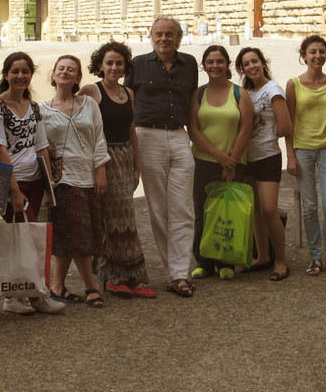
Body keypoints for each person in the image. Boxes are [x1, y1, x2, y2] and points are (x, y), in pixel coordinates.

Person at [124, 16, 198, 297]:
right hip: (148, 136)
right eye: (159, 34)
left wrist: (195, 134)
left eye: (170, 34)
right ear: (150, 36)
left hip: (179, 135)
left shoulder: (189, 63)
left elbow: (192, 100)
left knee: (183, 208)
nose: (164, 38)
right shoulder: (137, 64)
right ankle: (175, 273)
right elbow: (126, 101)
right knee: (158, 208)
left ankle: (180, 271)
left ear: (178, 38)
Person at [0, 51, 65, 314]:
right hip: (13, 181)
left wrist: (48, 185)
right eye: (15, 71)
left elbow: (41, 146)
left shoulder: (33, 107)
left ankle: (19, 296)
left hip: (34, 178)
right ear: (6, 74)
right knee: (23, 239)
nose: (21, 76)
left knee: (29, 237)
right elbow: (0, 149)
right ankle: (31, 297)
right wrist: (12, 190)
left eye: (25, 71)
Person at [79, 42, 155, 299]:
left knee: (126, 218)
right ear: (100, 65)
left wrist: (137, 168)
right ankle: (112, 277)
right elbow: (75, 121)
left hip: (124, 157)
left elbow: (132, 130)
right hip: (102, 158)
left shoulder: (128, 93)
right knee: (108, 218)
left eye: (119, 63)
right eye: (109, 63)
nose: (114, 67)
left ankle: (132, 276)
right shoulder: (91, 91)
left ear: (125, 66)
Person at [41, 55, 110, 308]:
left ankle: (57, 286)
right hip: (62, 179)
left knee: (72, 232)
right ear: (53, 74)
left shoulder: (88, 104)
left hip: (87, 175)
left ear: (78, 78)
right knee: (79, 231)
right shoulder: (42, 109)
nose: (65, 73)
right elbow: (37, 142)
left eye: (71, 70)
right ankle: (91, 286)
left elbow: (99, 138)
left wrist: (100, 170)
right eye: (61, 69)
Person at [187, 45, 253, 281]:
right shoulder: (198, 94)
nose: (215, 66)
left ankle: (226, 261)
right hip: (203, 161)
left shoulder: (240, 93)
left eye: (220, 61)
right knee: (202, 212)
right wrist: (218, 155)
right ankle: (203, 261)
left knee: (228, 211)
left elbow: (246, 129)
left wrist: (231, 160)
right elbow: (193, 129)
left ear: (227, 64)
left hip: (234, 162)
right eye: (210, 62)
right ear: (203, 65)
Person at [285, 36, 326, 277]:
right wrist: (289, 155)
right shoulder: (293, 84)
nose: (317, 56)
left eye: (321, 51)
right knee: (309, 207)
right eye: (313, 52)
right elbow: (287, 124)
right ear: (304, 56)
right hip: (302, 149)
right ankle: (315, 256)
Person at [235, 47, 291, 281]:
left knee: (269, 210)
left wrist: (267, 135)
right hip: (248, 159)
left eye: (254, 61)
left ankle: (281, 260)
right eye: (246, 64)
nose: (251, 67)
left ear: (263, 62)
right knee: (256, 210)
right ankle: (263, 256)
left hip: (267, 156)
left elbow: (286, 126)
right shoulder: (247, 91)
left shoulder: (273, 90)